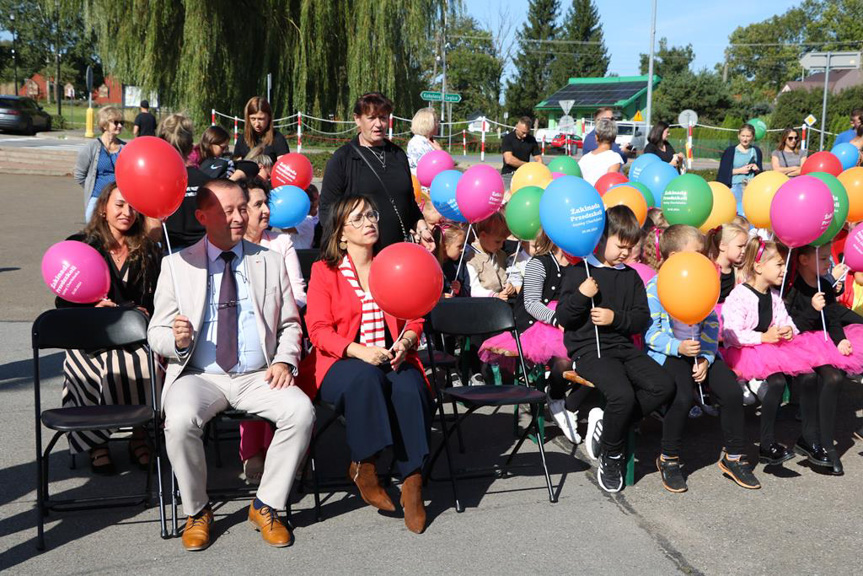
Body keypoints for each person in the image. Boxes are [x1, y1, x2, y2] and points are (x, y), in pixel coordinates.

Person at [148, 179, 314, 551]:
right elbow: (154, 332)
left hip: (259, 374)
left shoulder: (268, 261)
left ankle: (267, 504)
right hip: (199, 374)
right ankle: (197, 510)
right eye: (227, 210)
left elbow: (290, 324)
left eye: (243, 208)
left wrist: (286, 359)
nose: (239, 217)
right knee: (177, 421)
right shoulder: (177, 264)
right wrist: (175, 341)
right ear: (202, 216)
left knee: (301, 412)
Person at [305, 194, 431, 534]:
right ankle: (366, 465)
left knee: (409, 386)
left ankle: (412, 481)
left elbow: (415, 315)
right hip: (341, 361)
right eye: (358, 218)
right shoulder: (324, 272)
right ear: (341, 234)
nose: (369, 221)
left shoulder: (392, 265)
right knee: (366, 379)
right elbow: (317, 330)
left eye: (372, 214)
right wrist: (358, 350)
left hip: (390, 357)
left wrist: (406, 341)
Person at [556, 205, 675, 493]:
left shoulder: (631, 276)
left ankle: (611, 424)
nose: (625, 252)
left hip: (622, 347)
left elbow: (639, 319)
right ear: (600, 238)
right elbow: (565, 318)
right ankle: (611, 454)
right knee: (621, 394)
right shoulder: (578, 273)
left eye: (630, 247)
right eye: (620, 246)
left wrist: (615, 318)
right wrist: (582, 297)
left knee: (663, 385)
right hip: (589, 350)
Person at [56, 182, 162, 473]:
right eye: (119, 205)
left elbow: (155, 300)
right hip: (90, 335)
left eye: (132, 206)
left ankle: (139, 434)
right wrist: (89, 308)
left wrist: (142, 311)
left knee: (145, 362)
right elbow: (62, 301)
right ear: (103, 209)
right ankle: (97, 441)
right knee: (84, 365)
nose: (126, 212)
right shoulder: (81, 245)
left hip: (131, 335)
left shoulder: (148, 250)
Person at [645, 225, 760, 492]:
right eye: (696, 253)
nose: (703, 259)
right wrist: (678, 347)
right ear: (674, 256)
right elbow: (650, 333)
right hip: (668, 354)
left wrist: (707, 357)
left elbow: (710, 323)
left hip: (701, 352)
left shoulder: (703, 280)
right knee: (682, 397)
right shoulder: (655, 286)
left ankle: (733, 457)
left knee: (731, 392)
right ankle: (668, 458)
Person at [479, 230, 588, 445]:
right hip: (538, 325)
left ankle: (573, 403)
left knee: (597, 357)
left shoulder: (582, 264)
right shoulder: (540, 263)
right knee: (563, 358)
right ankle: (557, 397)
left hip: (572, 321)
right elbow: (531, 303)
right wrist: (557, 320)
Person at [235, 177, 307, 483]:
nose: (266, 210)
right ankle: (252, 452)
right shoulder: (230, 246)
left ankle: (282, 450)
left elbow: (299, 293)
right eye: (258, 205)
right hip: (244, 335)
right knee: (253, 360)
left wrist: (270, 309)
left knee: (277, 363)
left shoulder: (281, 243)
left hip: (282, 327)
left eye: (268, 203)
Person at [721, 238, 809, 466]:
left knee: (786, 381)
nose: (785, 269)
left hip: (768, 352)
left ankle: (769, 444)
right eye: (779, 264)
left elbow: (785, 320)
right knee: (777, 383)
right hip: (744, 352)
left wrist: (790, 330)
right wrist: (762, 337)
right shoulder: (739, 295)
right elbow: (732, 334)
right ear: (759, 267)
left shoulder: (775, 297)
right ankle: (767, 443)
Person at [320, 92, 434, 251]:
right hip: (360, 256)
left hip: (397, 253)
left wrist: (422, 229)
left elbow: (408, 203)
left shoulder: (398, 155)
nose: (378, 124)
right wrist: (344, 246)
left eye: (383, 118)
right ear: (357, 119)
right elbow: (327, 210)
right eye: (372, 118)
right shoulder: (343, 159)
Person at [784, 244, 863, 475]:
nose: (829, 263)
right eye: (824, 259)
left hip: (825, 340)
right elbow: (793, 326)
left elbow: (833, 318)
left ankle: (826, 444)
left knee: (835, 378)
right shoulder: (793, 287)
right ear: (804, 261)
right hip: (800, 342)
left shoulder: (825, 284)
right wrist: (811, 308)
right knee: (816, 378)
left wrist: (840, 340)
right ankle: (812, 438)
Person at [159, 114, 210, 250]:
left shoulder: (157, 181)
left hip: (170, 249)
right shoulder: (206, 181)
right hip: (203, 249)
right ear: (190, 147)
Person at [74, 106, 125, 222]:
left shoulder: (125, 148)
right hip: (97, 198)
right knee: (93, 230)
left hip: (119, 199)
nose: (120, 126)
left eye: (121, 123)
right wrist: (92, 187)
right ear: (105, 124)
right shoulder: (91, 147)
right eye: (116, 122)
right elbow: (79, 175)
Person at [465, 211, 514, 299]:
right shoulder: (472, 258)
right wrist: (494, 295)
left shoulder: (501, 255)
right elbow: (474, 288)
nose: (501, 246)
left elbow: (507, 276)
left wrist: (510, 287)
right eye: (497, 241)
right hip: (483, 305)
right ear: (483, 235)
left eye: (503, 241)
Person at [717, 124, 763, 215]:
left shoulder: (756, 151)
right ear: (738, 136)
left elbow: (760, 174)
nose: (745, 139)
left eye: (748, 136)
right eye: (743, 136)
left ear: (752, 137)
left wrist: (757, 170)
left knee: (749, 213)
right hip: (734, 186)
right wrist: (740, 170)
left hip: (751, 187)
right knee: (735, 214)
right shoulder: (730, 151)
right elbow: (723, 173)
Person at [233, 97, 290, 163]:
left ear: (269, 117)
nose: (257, 124)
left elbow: (283, 168)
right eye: (253, 119)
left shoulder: (278, 139)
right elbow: (236, 165)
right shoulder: (242, 139)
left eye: (261, 119)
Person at [706, 223, 748, 305]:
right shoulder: (709, 270)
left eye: (745, 246)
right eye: (740, 246)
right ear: (722, 246)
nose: (744, 251)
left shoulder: (738, 273)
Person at [578, 118, 623, 186]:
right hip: (601, 195)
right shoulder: (615, 158)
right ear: (614, 138)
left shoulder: (584, 159)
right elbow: (610, 185)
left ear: (596, 137)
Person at [435, 224, 470, 296]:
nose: (462, 250)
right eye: (459, 246)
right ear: (445, 246)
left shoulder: (461, 265)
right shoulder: (434, 265)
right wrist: (440, 296)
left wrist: (459, 290)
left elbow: (468, 291)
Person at [406, 107, 441, 174]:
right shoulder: (417, 143)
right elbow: (431, 168)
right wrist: (440, 152)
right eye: (436, 121)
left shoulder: (428, 141)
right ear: (429, 123)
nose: (438, 124)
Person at [288, 184, 320, 250]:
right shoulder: (299, 217)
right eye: (310, 200)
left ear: (319, 197)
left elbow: (286, 228)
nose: (313, 203)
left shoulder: (308, 220)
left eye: (315, 199)